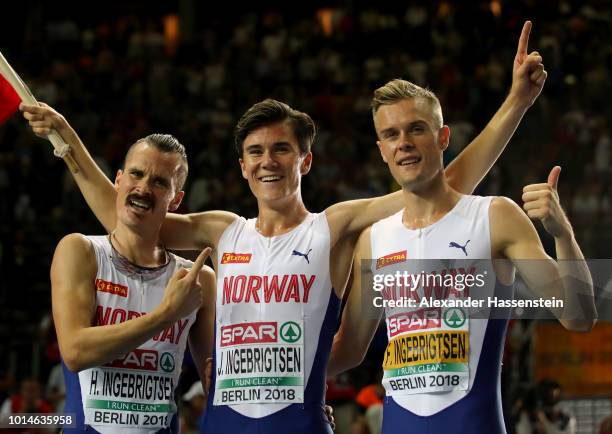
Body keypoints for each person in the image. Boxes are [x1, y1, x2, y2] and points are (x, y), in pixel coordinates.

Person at [21, 21, 547, 434]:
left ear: (305, 161)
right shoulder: (222, 231)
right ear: (243, 167)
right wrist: (66, 142)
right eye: (255, 152)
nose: (268, 161)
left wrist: (516, 104)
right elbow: (129, 211)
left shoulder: (334, 228)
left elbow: (438, 181)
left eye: (281, 149)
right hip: (223, 427)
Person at [326, 76, 596, 434]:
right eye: (391, 135)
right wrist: (288, 390)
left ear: (443, 138)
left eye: (416, 129)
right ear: (381, 150)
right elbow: (349, 348)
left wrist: (562, 234)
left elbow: (578, 317)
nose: (404, 143)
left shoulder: (495, 216)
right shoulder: (374, 240)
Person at [31, 132, 216, 434]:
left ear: (176, 199)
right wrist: (165, 315)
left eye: (159, 182)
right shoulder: (81, 251)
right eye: (137, 174)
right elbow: (76, 352)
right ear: (118, 180)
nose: (143, 188)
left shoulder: (198, 280)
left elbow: (218, 385)